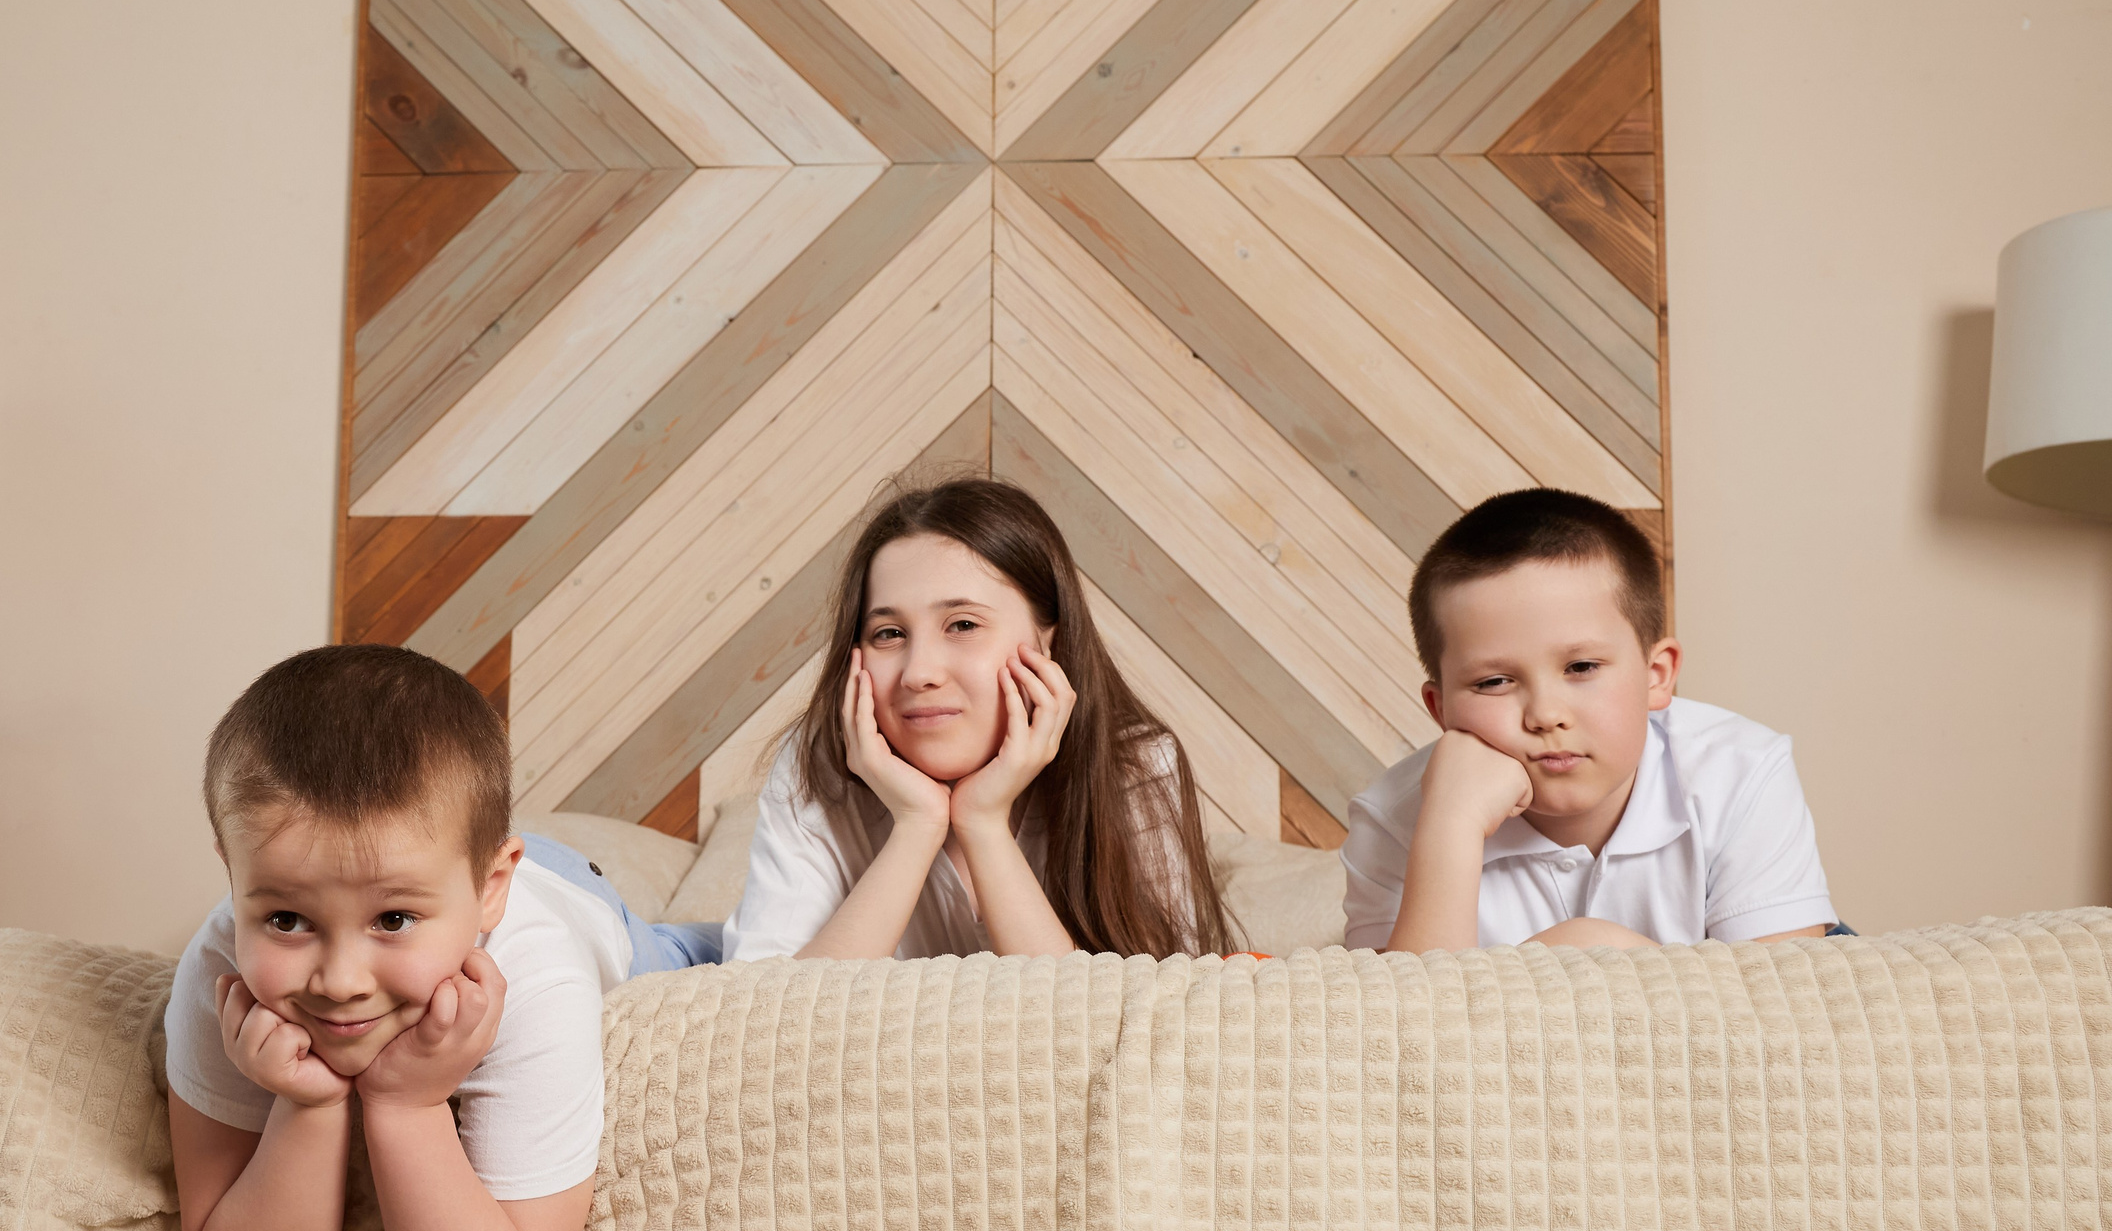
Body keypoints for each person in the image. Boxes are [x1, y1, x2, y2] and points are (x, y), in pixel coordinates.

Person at [163, 646, 716, 1231]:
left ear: (491, 888)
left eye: (392, 920)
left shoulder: (536, 973)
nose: (338, 980)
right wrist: (308, 1107)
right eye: (287, 920)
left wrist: (405, 1105)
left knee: (701, 955)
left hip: (578, 895)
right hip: (448, 863)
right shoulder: (221, 967)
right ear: (234, 875)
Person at [725, 476, 1231, 963]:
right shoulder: (816, 767)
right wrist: (917, 824)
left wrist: (983, 822)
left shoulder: (1134, 767)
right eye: (888, 633)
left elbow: (1154, 1021)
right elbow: (766, 1020)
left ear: (1047, 639)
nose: (918, 672)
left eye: (962, 624)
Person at [1342, 487, 1840, 954]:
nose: (1545, 715)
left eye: (1581, 667)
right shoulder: (1392, 819)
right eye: (1494, 682)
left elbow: (1780, 1018)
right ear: (1441, 709)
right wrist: (1450, 827)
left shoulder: (1741, 771)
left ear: (1656, 676)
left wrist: (1596, 948)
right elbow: (1408, 1034)